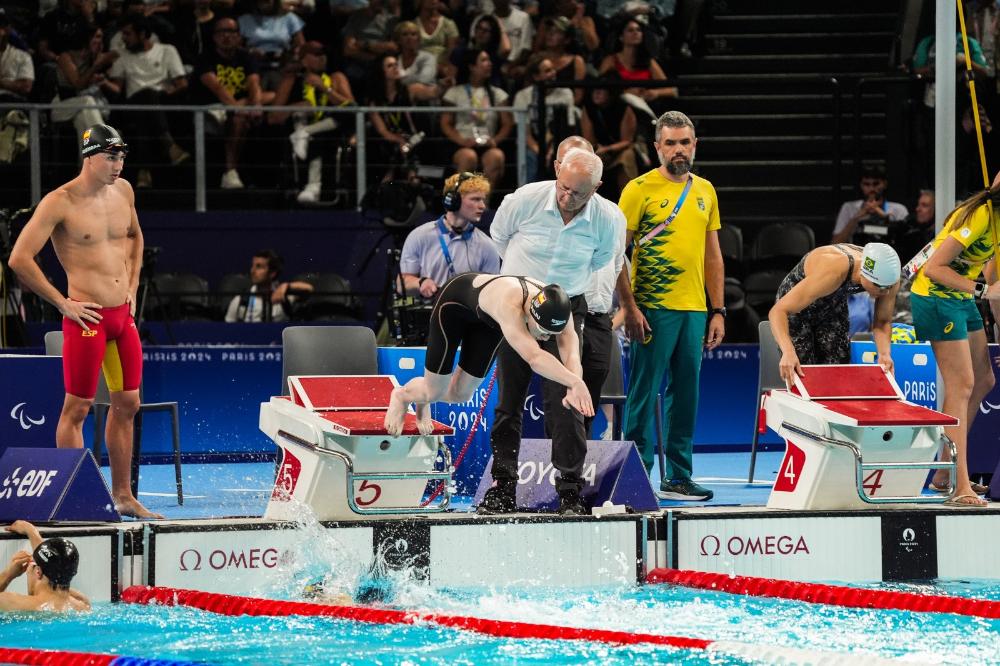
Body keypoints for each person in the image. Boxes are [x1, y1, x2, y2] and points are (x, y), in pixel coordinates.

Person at [7, 125, 159, 519]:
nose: (118, 165)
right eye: (110, 157)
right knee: (77, 408)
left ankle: (123, 495)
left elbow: (135, 237)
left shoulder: (124, 191)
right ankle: (76, 496)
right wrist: (63, 303)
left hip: (121, 319)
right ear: (88, 157)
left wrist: (134, 282)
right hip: (86, 319)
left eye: (122, 157)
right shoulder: (60, 202)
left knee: (128, 404)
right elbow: (19, 258)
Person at [485, 144, 624, 515]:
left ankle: (569, 492)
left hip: (565, 309)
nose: (567, 196)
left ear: (595, 189)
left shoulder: (608, 219)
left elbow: (600, 262)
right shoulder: (526, 199)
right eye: (563, 186)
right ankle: (502, 487)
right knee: (508, 403)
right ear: (557, 171)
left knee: (567, 403)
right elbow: (499, 237)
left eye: (578, 192)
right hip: (516, 303)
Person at [616, 110, 725, 501]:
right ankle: (636, 477)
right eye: (670, 143)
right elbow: (617, 255)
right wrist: (629, 308)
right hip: (652, 308)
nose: (678, 150)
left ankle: (679, 476)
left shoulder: (706, 190)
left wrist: (718, 309)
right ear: (657, 147)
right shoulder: (638, 189)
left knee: (686, 395)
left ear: (694, 145)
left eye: (685, 142)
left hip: (695, 310)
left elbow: (713, 255)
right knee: (644, 394)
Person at [383, 275, 593, 446]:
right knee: (434, 391)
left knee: (461, 395)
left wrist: (575, 386)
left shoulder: (560, 312)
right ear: (531, 314)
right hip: (454, 305)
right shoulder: (510, 304)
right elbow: (535, 357)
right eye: (543, 332)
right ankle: (402, 396)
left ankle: (424, 398)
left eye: (552, 334)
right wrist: (574, 382)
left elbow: (572, 355)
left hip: (488, 322)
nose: (546, 338)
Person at [910, 178, 1000, 507]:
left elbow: (992, 277)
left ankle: (943, 473)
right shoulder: (979, 216)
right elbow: (934, 268)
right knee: (961, 384)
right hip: (934, 297)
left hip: (959, 297)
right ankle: (958, 486)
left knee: (984, 379)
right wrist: (979, 291)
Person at [769, 242, 901, 387]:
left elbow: (882, 321)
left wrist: (884, 354)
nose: (886, 293)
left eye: (889, 287)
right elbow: (778, 311)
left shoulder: (888, 277)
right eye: (881, 288)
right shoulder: (834, 270)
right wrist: (788, 351)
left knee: (838, 375)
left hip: (832, 303)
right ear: (865, 274)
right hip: (797, 308)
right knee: (804, 377)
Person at [398, 172, 500, 302]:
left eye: (483, 199)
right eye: (475, 199)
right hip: (427, 316)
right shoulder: (419, 236)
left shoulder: (487, 245)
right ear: (453, 200)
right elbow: (402, 284)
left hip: (466, 318)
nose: (482, 206)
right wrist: (421, 282)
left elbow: (493, 293)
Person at [0, 521, 90, 612]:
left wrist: (8, 574)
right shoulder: (83, 605)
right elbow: (59, 570)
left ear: (38, 572)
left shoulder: (10, 603)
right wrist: (31, 531)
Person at [224, 249, 314, 322]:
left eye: (259, 267)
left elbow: (309, 289)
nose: (252, 271)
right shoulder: (240, 300)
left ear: (272, 273)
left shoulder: (284, 297)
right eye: (253, 266)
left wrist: (286, 286)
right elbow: (228, 330)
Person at [831, 165, 909, 245]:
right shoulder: (849, 207)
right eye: (866, 184)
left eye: (876, 184)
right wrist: (856, 218)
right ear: (861, 185)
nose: (871, 189)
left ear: (884, 184)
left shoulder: (899, 209)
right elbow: (835, 243)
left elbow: (907, 243)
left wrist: (886, 218)